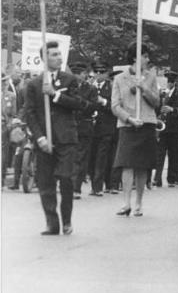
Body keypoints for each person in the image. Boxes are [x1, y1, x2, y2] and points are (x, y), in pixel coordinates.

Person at [23, 41, 88, 235]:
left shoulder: (69, 80)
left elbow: (79, 104)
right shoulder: (34, 84)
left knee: (66, 178)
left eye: (60, 54)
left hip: (66, 138)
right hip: (44, 140)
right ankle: (52, 223)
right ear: (44, 58)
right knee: (46, 183)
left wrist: (55, 95)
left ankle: (67, 220)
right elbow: (30, 113)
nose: (59, 57)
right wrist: (40, 137)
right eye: (54, 54)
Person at [111, 43, 160, 217]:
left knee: (142, 165)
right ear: (135, 58)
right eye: (144, 56)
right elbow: (115, 105)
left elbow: (156, 102)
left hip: (146, 123)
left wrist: (144, 88)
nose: (148, 59)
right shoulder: (119, 79)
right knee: (127, 164)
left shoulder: (151, 77)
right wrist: (129, 118)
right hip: (128, 125)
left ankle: (139, 202)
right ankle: (126, 203)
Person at [69, 62, 99, 199]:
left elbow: (93, 107)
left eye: (80, 74)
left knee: (80, 159)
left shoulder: (91, 89)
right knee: (69, 157)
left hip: (84, 127)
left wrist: (78, 102)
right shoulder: (68, 87)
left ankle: (76, 188)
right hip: (69, 126)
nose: (79, 77)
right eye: (76, 74)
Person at [90, 62, 118, 194]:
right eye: (96, 72)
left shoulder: (111, 88)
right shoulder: (89, 87)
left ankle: (99, 187)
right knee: (92, 157)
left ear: (106, 74)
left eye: (101, 72)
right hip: (91, 127)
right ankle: (103, 184)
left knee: (102, 158)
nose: (98, 75)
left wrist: (104, 102)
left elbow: (116, 106)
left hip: (106, 127)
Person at [154, 71, 178, 187]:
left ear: (175, 82)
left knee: (174, 154)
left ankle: (172, 179)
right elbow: (157, 108)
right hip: (163, 128)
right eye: (167, 81)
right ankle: (157, 178)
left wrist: (172, 110)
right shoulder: (162, 94)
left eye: (171, 81)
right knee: (159, 155)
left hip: (174, 129)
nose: (169, 84)